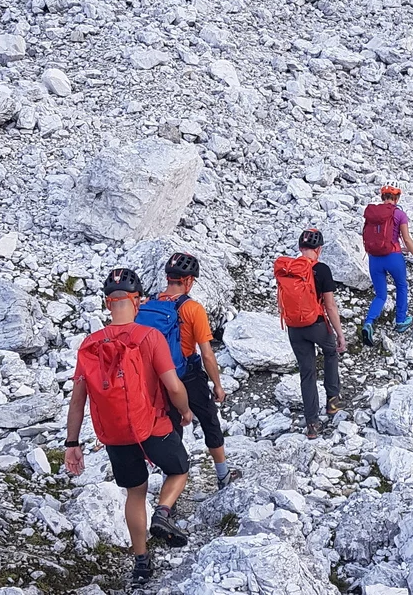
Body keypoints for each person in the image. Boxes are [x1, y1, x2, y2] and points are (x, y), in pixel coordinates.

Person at [63, 268, 194, 589]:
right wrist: (185, 410)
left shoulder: (90, 344)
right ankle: (163, 513)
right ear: (137, 301)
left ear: (108, 303)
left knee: (135, 493)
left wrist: (72, 443)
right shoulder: (150, 337)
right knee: (179, 470)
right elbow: (173, 385)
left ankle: (141, 563)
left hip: (116, 433)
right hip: (153, 425)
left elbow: (78, 400)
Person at [137, 252, 242, 490]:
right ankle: (223, 474)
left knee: (171, 428)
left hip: (159, 378)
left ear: (167, 277)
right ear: (189, 280)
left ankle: (171, 485)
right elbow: (207, 353)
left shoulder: (147, 304)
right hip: (188, 374)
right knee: (209, 420)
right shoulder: (192, 308)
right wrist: (218, 385)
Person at [273, 229, 347, 439]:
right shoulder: (322, 269)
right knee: (331, 352)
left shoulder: (288, 270)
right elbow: (330, 306)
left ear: (300, 248)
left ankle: (312, 424)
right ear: (319, 249)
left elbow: (281, 302)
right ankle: (332, 400)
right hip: (316, 325)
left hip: (294, 328)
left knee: (307, 373)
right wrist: (339, 334)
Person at [360, 185, 413, 346]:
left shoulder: (372, 213)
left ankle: (368, 323)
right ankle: (401, 320)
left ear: (383, 197)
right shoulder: (399, 214)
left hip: (374, 258)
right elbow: (407, 239)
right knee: (401, 286)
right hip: (393, 257)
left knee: (380, 295)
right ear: (396, 199)